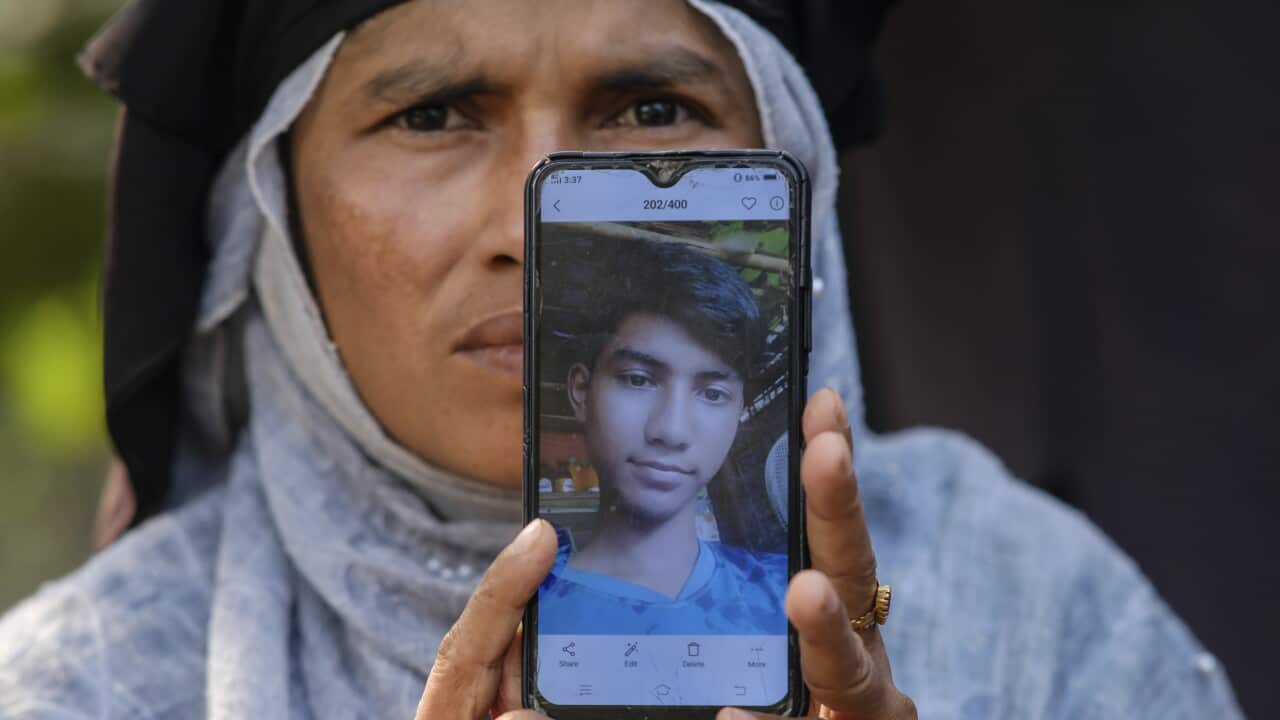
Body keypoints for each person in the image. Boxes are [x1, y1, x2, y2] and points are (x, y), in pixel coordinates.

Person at [0, 1, 1242, 719]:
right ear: (273, 223)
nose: (542, 226)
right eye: (431, 114)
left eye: (653, 110)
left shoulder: (1038, 612)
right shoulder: (91, 690)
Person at [539, 238, 788, 635]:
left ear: (738, 411)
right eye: (638, 380)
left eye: (712, 394)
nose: (671, 431)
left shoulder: (784, 593)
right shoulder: (525, 604)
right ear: (582, 391)